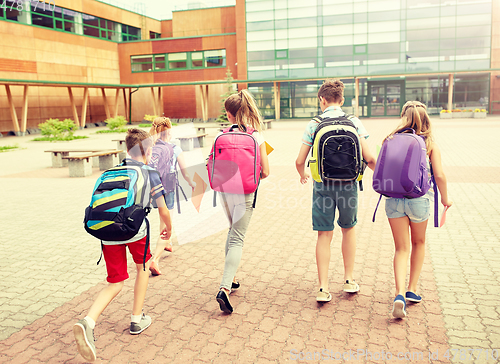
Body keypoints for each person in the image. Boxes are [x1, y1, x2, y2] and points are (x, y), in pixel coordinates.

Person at [73, 128, 172, 362]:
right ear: (147, 151)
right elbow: (163, 208)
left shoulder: (109, 172)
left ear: (127, 149)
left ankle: (87, 321)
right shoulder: (149, 171)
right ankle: (137, 319)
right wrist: (168, 228)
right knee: (144, 267)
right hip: (134, 231)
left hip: (107, 233)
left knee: (115, 282)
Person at [295, 79, 376, 303]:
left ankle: (323, 287)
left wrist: (302, 175)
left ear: (322, 99)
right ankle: (349, 280)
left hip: (323, 185)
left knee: (324, 234)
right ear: (342, 100)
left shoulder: (314, 124)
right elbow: (369, 158)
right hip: (349, 185)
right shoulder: (354, 122)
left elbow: (299, 160)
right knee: (348, 229)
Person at [384, 101, 452, 318]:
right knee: (418, 243)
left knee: (400, 248)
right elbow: (439, 175)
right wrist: (446, 199)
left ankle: (399, 294)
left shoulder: (390, 139)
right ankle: (412, 289)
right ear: (426, 120)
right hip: (419, 200)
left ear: (404, 117)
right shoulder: (430, 144)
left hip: (394, 200)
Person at [214, 89, 270, 313]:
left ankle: (233, 278)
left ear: (229, 114)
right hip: (245, 191)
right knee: (237, 237)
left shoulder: (222, 134)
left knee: (231, 232)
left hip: (225, 191)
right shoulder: (256, 136)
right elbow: (266, 171)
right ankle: (225, 288)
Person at [148, 116, 195, 276]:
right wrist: (191, 183)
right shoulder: (174, 148)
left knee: (152, 220)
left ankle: (166, 243)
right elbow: (185, 171)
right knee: (165, 225)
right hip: (167, 188)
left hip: (149, 188)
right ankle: (155, 260)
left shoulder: (147, 147)